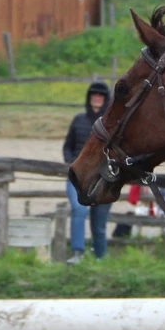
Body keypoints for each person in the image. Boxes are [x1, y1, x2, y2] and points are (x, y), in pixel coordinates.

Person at [63, 80, 112, 263]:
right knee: (79, 209)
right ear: (89, 98)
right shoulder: (78, 120)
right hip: (79, 176)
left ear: (105, 99)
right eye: (94, 95)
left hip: (103, 178)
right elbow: (67, 146)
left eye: (100, 96)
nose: (97, 98)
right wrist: (71, 162)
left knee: (99, 224)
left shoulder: (110, 124)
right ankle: (77, 253)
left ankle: (100, 258)